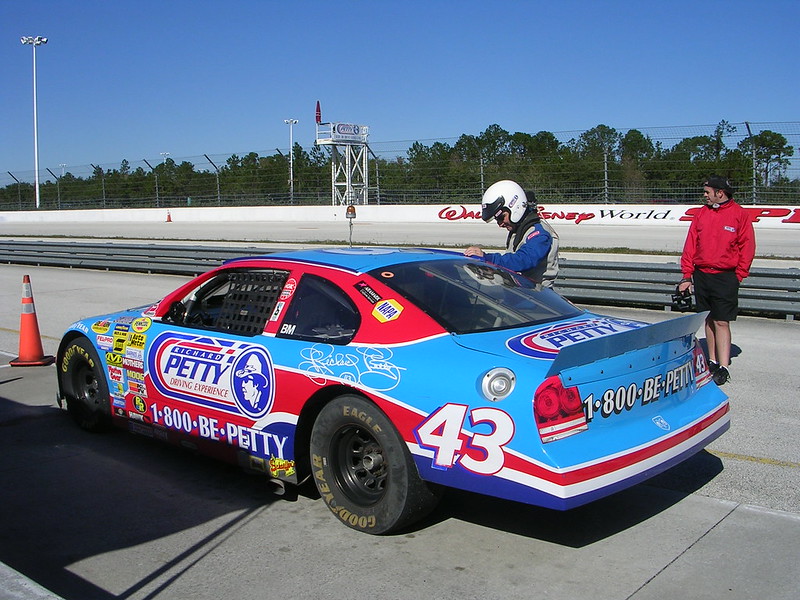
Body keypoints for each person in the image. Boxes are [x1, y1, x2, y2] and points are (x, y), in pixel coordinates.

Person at [678, 175, 756, 386]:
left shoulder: (739, 215)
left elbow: (747, 247)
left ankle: (723, 366)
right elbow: (690, 245)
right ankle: (711, 360)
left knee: (722, 321)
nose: (704, 195)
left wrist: (739, 275)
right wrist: (687, 275)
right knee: (709, 320)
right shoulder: (701, 214)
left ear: (719, 193)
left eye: (707, 192)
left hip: (725, 277)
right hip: (702, 275)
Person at [464, 180, 559, 287]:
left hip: (539, 296)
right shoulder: (519, 230)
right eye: (497, 220)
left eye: (501, 217)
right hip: (521, 293)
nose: (500, 224)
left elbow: (523, 260)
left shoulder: (539, 233)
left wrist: (488, 258)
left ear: (515, 207)